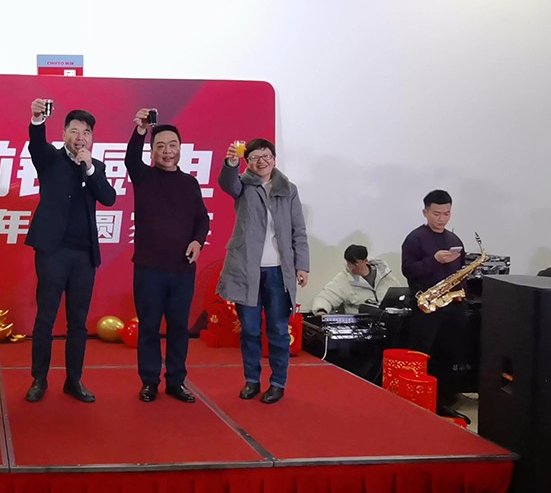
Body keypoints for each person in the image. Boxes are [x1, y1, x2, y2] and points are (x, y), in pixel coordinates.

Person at [23, 100, 117, 403]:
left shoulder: (95, 166)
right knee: (46, 317)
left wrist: (89, 167)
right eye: (74, 131)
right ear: (63, 133)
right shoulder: (50, 158)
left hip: (84, 256)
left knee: (78, 321)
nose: (80, 137)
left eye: (86, 132)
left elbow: (109, 198)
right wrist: (37, 120)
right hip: (52, 251)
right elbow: (36, 145)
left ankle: (73, 380)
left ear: (92, 138)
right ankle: (39, 379)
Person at [216, 138, 309, 405]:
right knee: (250, 330)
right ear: (248, 162)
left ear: (274, 159)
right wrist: (231, 162)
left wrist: (302, 265)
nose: (262, 161)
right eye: (255, 157)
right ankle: (252, 380)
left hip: (279, 272)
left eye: (266, 156)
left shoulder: (288, 189)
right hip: (247, 270)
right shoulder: (243, 185)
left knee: (278, 330)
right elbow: (227, 183)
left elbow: (298, 230)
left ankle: (278, 382)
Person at [125, 109, 209, 403]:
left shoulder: (190, 183)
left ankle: (176, 381)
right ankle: (149, 381)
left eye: (172, 145)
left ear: (180, 148)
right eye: (160, 146)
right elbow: (130, 160)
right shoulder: (144, 177)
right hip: (148, 268)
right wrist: (140, 130)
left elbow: (202, 219)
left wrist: (198, 241)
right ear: (152, 151)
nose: (167, 151)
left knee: (178, 329)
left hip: (182, 269)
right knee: (149, 327)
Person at [401, 189, 468, 421]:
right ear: (425, 212)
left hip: (452, 305)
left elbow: (460, 272)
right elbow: (408, 270)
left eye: (446, 214)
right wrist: (434, 260)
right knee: (423, 353)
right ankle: (418, 400)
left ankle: (443, 401)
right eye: (436, 214)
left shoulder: (454, 240)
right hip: (426, 306)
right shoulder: (415, 238)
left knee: (447, 354)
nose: (441, 219)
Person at [311, 244, 401, 315]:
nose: (350, 267)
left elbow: (399, 294)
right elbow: (325, 297)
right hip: (360, 325)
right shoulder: (344, 278)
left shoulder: (384, 274)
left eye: (355, 264)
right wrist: (321, 311)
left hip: (388, 322)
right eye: (348, 263)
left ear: (365, 261)